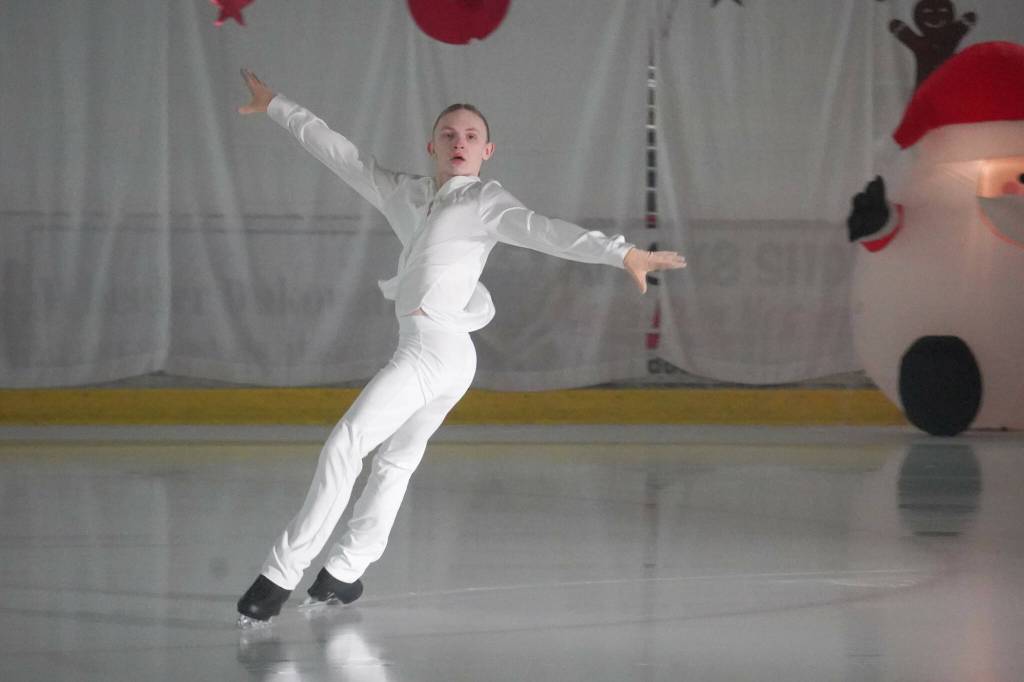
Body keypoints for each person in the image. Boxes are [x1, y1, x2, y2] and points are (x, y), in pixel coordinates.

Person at [234, 68, 687, 626]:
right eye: (449, 134)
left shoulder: (486, 202)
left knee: (348, 444)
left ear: (487, 150)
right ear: (432, 145)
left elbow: (545, 230)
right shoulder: (405, 192)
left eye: (471, 136)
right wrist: (278, 104)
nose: (459, 142)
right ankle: (344, 574)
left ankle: (279, 576)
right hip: (442, 355)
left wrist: (621, 254)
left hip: (435, 353)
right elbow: (342, 155)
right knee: (395, 462)